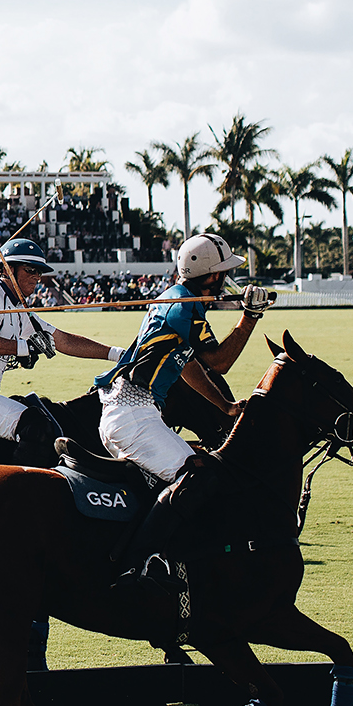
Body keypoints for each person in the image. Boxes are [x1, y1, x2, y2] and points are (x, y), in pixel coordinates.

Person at [94, 231, 272, 589]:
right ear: (210, 275)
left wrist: (223, 405)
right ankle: (140, 566)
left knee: (195, 471)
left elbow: (189, 367)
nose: (226, 278)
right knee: (197, 478)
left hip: (133, 412)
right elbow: (218, 362)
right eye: (222, 271)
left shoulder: (178, 301)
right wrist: (250, 317)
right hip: (132, 415)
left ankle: (171, 556)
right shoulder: (182, 305)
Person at [0, 238, 122, 465]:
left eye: (39, 272)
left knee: (41, 411)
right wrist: (24, 347)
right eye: (30, 270)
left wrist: (118, 354)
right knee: (36, 426)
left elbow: (62, 340)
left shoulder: (20, 310)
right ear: (8, 270)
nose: (36, 277)